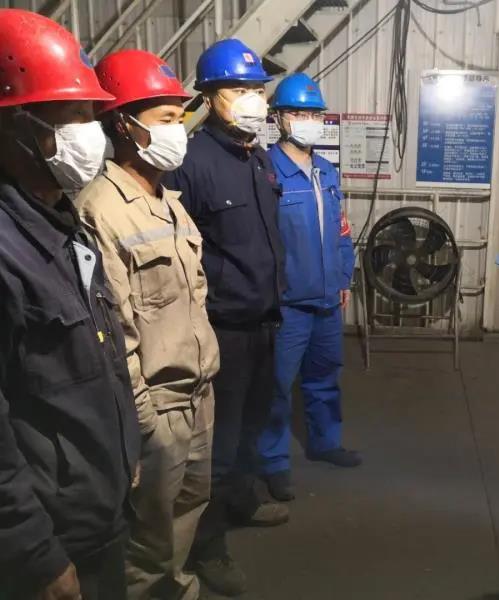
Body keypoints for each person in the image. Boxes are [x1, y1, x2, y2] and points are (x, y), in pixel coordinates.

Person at [0, 9, 139, 600]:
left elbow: (95, 354)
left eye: (91, 114)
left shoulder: (62, 221)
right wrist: (35, 556)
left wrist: (125, 448)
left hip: (97, 512)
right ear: (13, 126)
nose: (92, 133)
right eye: (72, 116)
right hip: (50, 544)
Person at [75, 49, 219, 600]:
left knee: (187, 510)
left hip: (198, 394)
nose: (179, 130)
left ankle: (176, 590)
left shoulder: (170, 202)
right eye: (166, 119)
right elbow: (112, 333)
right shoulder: (101, 210)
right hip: (157, 408)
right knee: (147, 540)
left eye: (181, 118)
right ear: (124, 125)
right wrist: (144, 424)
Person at [162, 38, 288, 597]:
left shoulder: (256, 156)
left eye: (257, 89)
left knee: (253, 428)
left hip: (265, 321)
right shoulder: (191, 164)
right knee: (216, 443)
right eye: (238, 90)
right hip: (223, 329)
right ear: (210, 98)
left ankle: (242, 500)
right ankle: (208, 544)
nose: (253, 99)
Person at [256, 73, 360, 503]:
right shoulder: (265, 172)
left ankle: (325, 442)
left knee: (324, 377)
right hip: (288, 305)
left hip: (327, 300)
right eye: (299, 112)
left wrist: (343, 276)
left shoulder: (326, 171)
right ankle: (273, 462)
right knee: (277, 386)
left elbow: (341, 230)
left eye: (315, 114)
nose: (309, 121)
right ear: (279, 118)